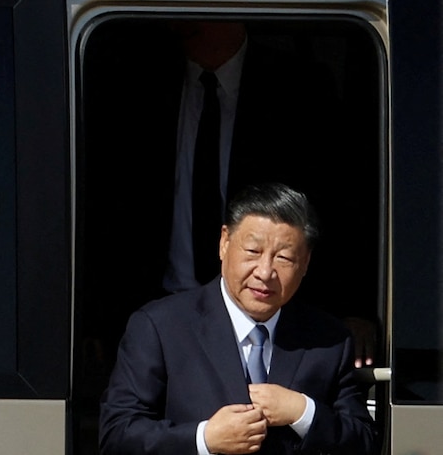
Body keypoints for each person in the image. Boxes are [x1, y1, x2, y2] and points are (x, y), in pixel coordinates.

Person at [80, 18, 377, 371]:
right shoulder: (136, 84)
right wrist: (90, 318)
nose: (183, 19)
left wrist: (355, 309)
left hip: (271, 320)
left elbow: (343, 203)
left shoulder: (298, 87)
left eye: (198, 6)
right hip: (158, 316)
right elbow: (103, 208)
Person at [99, 182, 380, 455]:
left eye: (284, 258)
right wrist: (204, 438)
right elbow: (117, 434)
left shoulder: (328, 339)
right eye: (253, 252)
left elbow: (364, 441)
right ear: (224, 242)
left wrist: (303, 412)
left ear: (305, 263)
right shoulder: (160, 326)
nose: (265, 272)